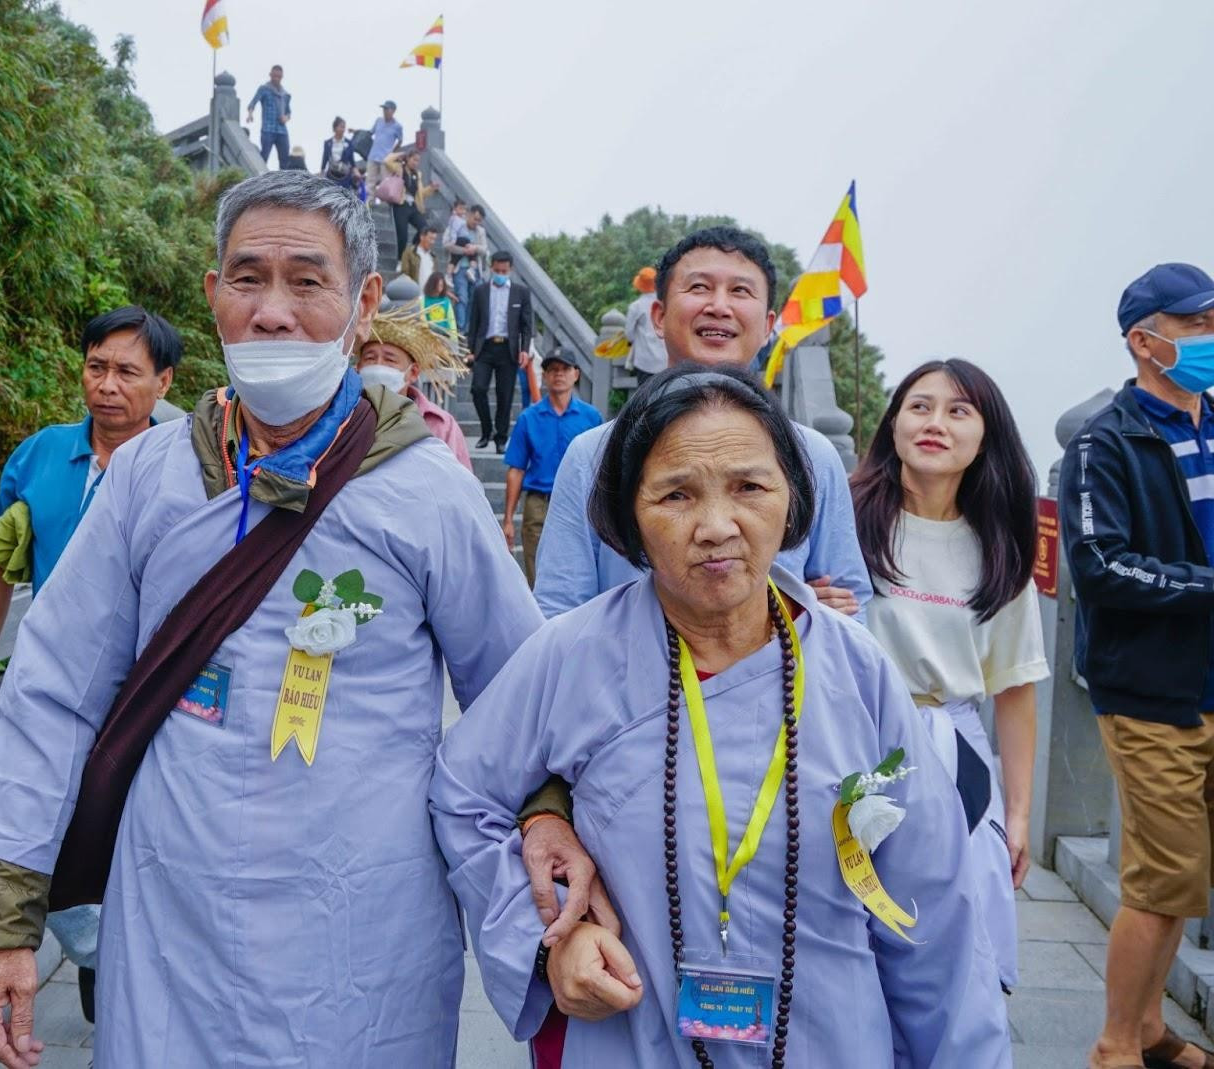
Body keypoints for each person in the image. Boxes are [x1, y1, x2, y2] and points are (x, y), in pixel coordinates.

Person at [0, 170, 548, 1069]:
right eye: (247, 278)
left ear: (364, 300)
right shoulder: (149, 478)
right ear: (212, 296)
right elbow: (51, 692)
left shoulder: (428, 490)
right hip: (169, 917)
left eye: (307, 282)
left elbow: (521, 701)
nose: (273, 312)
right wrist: (4, 922)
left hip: (363, 932)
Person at [431, 365, 1011, 1068]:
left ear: (793, 500)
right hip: (635, 1038)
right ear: (629, 517)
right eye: (675, 494)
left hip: (830, 1038)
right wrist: (549, 933)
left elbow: (935, 917)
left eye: (749, 487)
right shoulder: (573, 654)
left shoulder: (858, 672)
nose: (715, 526)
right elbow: (463, 791)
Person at [0, 305, 184, 1025]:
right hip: (59, 692)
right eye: (96, 367)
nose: (107, 385)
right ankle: (102, 1001)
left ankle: (133, 1003)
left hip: (153, 701)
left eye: (127, 371)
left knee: (138, 853)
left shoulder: (187, 464)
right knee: (71, 856)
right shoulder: (41, 456)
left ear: (165, 381)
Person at [533, 227, 872, 621]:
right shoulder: (594, 453)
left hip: (780, 678)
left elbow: (850, 602)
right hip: (626, 676)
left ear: (768, 326)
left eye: (740, 291)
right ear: (658, 316)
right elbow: (559, 608)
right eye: (699, 288)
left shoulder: (811, 455)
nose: (719, 306)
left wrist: (820, 618)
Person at [851, 358, 1047, 994]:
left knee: (957, 955)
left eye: (959, 411)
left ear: (985, 436)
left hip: (954, 752)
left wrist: (1017, 817)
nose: (936, 422)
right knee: (855, 938)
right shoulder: (846, 519)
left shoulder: (1000, 549)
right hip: (857, 737)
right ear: (895, 423)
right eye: (920, 406)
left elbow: (1015, 690)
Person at [1062, 263, 1214, 1069]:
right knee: (1160, 883)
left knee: (1188, 877)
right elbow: (1099, 567)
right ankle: (1118, 1044)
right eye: (1197, 325)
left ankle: (1152, 1027)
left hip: (1212, 678)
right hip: (1155, 693)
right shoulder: (1104, 442)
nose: (1210, 338)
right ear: (1145, 340)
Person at [501, 353, 601, 586]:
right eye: (552, 370)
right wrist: (508, 518)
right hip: (539, 502)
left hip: (580, 501)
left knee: (580, 570)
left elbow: (601, 465)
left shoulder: (591, 417)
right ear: (544, 376)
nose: (559, 374)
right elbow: (516, 469)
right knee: (537, 573)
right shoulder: (529, 418)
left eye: (565, 369)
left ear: (576, 374)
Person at [355, 301, 473, 472]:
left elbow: (460, 488)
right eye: (370, 358)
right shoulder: (340, 418)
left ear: (413, 372)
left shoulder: (439, 425)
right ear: (358, 367)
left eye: (390, 360)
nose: (379, 366)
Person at [466, 250, 533, 452]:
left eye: (504, 270)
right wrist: (470, 350)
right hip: (484, 348)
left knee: (505, 395)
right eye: (497, 270)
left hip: (508, 349)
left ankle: (501, 438)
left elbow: (526, 326)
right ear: (491, 268)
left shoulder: (521, 292)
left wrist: (524, 350)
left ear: (510, 269)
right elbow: (474, 322)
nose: (501, 273)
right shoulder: (480, 291)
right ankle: (486, 431)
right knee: (478, 389)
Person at [446, 204, 487, 332]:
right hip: (459, 268)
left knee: (474, 299)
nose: (477, 222)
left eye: (479, 220)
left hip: (475, 270)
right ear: (468, 215)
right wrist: (464, 250)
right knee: (462, 298)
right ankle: (460, 329)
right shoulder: (457, 226)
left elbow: (484, 249)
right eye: (475, 219)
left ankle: (469, 329)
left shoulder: (481, 231)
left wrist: (475, 248)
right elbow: (447, 245)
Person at [623, 266, 665, 385]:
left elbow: (629, 334)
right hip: (665, 360)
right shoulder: (665, 304)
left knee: (645, 395)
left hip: (644, 361)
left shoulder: (636, 306)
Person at [245, 64, 292, 168]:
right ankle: (259, 179)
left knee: (285, 159)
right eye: (274, 76)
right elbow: (253, 102)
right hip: (268, 129)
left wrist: (286, 118)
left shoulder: (285, 94)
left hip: (282, 130)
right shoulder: (264, 89)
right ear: (270, 75)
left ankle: (284, 182)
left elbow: (289, 112)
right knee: (264, 156)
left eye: (279, 77)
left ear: (282, 77)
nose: (276, 79)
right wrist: (250, 114)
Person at [390, 150, 434, 258]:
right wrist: (401, 154)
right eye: (414, 159)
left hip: (413, 206)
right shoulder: (399, 168)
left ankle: (412, 252)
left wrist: (431, 188)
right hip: (401, 205)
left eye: (418, 161)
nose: (416, 163)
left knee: (424, 228)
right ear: (408, 158)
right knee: (403, 235)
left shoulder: (417, 174)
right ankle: (401, 259)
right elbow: (387, 161)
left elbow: (420, 193)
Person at [365, 100, 403, 203]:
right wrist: (356, 131)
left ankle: (383, 205)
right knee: (370, 182)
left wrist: (392, 153)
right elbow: (370, 133)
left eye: (387, 109)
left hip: (385, 159)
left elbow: (400, 140)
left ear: (393, 111)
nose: (385, 111)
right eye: (384, 109)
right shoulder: (378, 121)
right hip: (373, 155)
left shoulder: (397, 126)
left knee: (384, 182)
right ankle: (370, 203)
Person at [319, 116, 359, 189]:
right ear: (335, 128)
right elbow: (324, 160)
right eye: (341, 127)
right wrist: (321, 174)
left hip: (345, 177)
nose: (343, 129)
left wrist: (357, 173)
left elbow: (352, 162)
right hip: (331, 176)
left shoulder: (349, 143)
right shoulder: (327, 143)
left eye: (344, 127)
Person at [422, 272, 458, 339]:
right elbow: (423, 320)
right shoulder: (423, 300)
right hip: (429, 336)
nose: (440, 288)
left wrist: (454, 338)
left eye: (442, 285)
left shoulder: (446, 301)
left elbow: (451, 321)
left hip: (444, 336)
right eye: (438, 285)